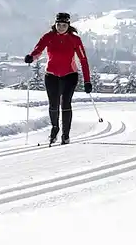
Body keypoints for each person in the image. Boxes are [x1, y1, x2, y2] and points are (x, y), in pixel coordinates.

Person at [25, 12, 92, 145]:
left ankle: (65, 135)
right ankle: (55, 129)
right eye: (59, 25)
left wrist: (87, 81)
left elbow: (83, 60)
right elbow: (39, 49)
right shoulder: (48, 37)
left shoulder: (75, 39)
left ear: (68, 25)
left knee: (66, 103)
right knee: (53, 104)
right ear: (55, 24)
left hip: (70, 75)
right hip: (51, 75)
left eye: (64, 25)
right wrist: (31, 57)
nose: (61, 27)